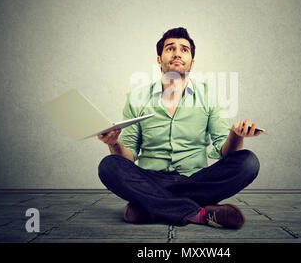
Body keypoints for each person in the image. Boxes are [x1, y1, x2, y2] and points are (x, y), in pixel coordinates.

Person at [98, 27, 263, 229]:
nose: (177, 53)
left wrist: (236, 136)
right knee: (109, 165)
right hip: (151, 179)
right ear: (159, 59)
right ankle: (199, 213)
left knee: (248, 162)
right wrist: (114, 144)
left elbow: (225, 152)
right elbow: (128, 157)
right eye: (170, 48)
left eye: (184, 49)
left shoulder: (209, 95)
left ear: (192, 62)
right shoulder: (136, 99)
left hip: (196, 180)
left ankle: (150, 206)